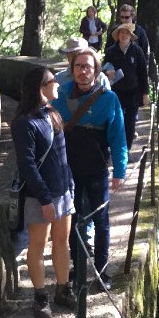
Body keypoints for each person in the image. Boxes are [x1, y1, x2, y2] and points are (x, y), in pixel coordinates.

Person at [52, 49, 127, 291]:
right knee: (72, 220)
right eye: (79, 66)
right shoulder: (60, 95)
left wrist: (119, 171)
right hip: (68, 169)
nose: (83, 71)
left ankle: (102, 271)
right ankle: (78, 269)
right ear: (72, 69)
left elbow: (118, 138)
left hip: (96, 168)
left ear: (96, 71)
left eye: (88, 67)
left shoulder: (109, 99)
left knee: (100, 220)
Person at [10, 66, 78, 318]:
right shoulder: (24, 123)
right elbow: (27, 165)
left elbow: (62, 156)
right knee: (37, 245)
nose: (58, 84)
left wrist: (69, 185)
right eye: (53, 81)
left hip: (62, 192)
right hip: (39, 196)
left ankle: (63, 288)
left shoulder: (52, 113)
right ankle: (40, 296)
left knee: (62, 241)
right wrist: (45, 198)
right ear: (41, 87)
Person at [105, 23, 149, 147]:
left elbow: (143, 73)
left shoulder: (137, 51)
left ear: (131, 36)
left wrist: (145, 93)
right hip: (116, 91)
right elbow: (103, 67)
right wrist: (107, 71)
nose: (124, 36)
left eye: (126, 33)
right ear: (117, 35)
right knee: (116, 120)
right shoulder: (111, 51)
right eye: (121, 33)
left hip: (134, 91)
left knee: (130, 122)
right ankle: (115, 145)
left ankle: (127, 147)